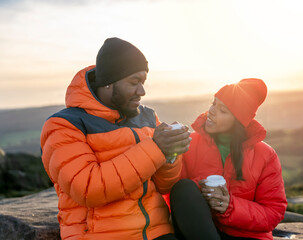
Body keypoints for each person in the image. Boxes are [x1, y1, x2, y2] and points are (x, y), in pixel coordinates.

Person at [40, 38, 190, 240]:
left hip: (157, 233)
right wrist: (156, 149)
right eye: (134, 82)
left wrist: (171, 153)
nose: (142, 91)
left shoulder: (147, 117)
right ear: (109, 83)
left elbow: (164, 186)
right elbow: (87, 189)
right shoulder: (64, 125)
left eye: (143, 82)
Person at [170, 79, 287, 240]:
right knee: (184, 187)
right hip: (202, 231)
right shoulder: (189, 143)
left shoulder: (265, 155)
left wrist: (229, 206)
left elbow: (273, 212)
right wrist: (170, 155)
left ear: (239, 121)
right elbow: (173, 193)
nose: (211, 111)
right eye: (213, 103)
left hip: (247, 235)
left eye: (223, 110)